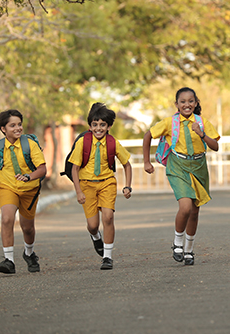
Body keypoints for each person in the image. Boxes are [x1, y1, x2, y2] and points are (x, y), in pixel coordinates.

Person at [142, 87, 220, 266]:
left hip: (199, 167)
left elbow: (215, 146)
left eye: (190, 101)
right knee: (185, 207)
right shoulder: (169, 122)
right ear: (176, 104)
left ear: (196, 103)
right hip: (178, 165)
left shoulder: (202, 122)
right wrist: (146, 162)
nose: (187, 104)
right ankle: (177, 243)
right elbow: (148, 136)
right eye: (182, 102)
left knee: (194, 211)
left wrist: (202, 134)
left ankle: (189, 250)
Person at [69, 103, 133, 270]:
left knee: (108, 217)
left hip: (107, 183)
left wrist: (127, 186)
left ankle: (107, 257)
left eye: (102, 125)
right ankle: (96, 237)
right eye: (95, 125)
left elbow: (127, 164)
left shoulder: (113, 142)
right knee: (92, 225)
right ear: (90, 126)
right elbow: (74, 168)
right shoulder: (83, 142)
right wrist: (78, 192)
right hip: (86, 185)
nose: (98, 128)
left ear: (109, 126)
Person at [0, 110, 47, 274]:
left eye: (19, 124)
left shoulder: (30, 145)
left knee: (28, 228)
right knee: (6, 219)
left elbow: (42, 169)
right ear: (3, 129)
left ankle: (29, 253)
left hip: (29, 190)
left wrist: (29, 177)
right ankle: (9, 261)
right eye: (12, 125)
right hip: (8, 187)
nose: (18, 128)